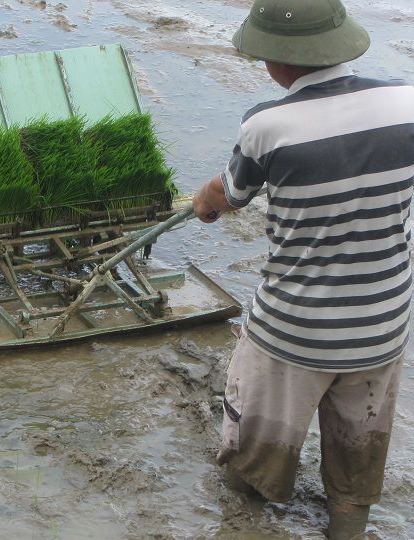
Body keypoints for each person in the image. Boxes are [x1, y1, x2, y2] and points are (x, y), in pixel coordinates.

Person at [192, 0, 414, 538]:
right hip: (381, 328)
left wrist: (203, 202)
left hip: (294, 331)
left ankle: (247, 519)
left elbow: (227, 194)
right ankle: (347, 524)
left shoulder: (267, 125)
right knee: (356, 468)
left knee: (253, 458)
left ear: (277, 61)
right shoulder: (407, 102)